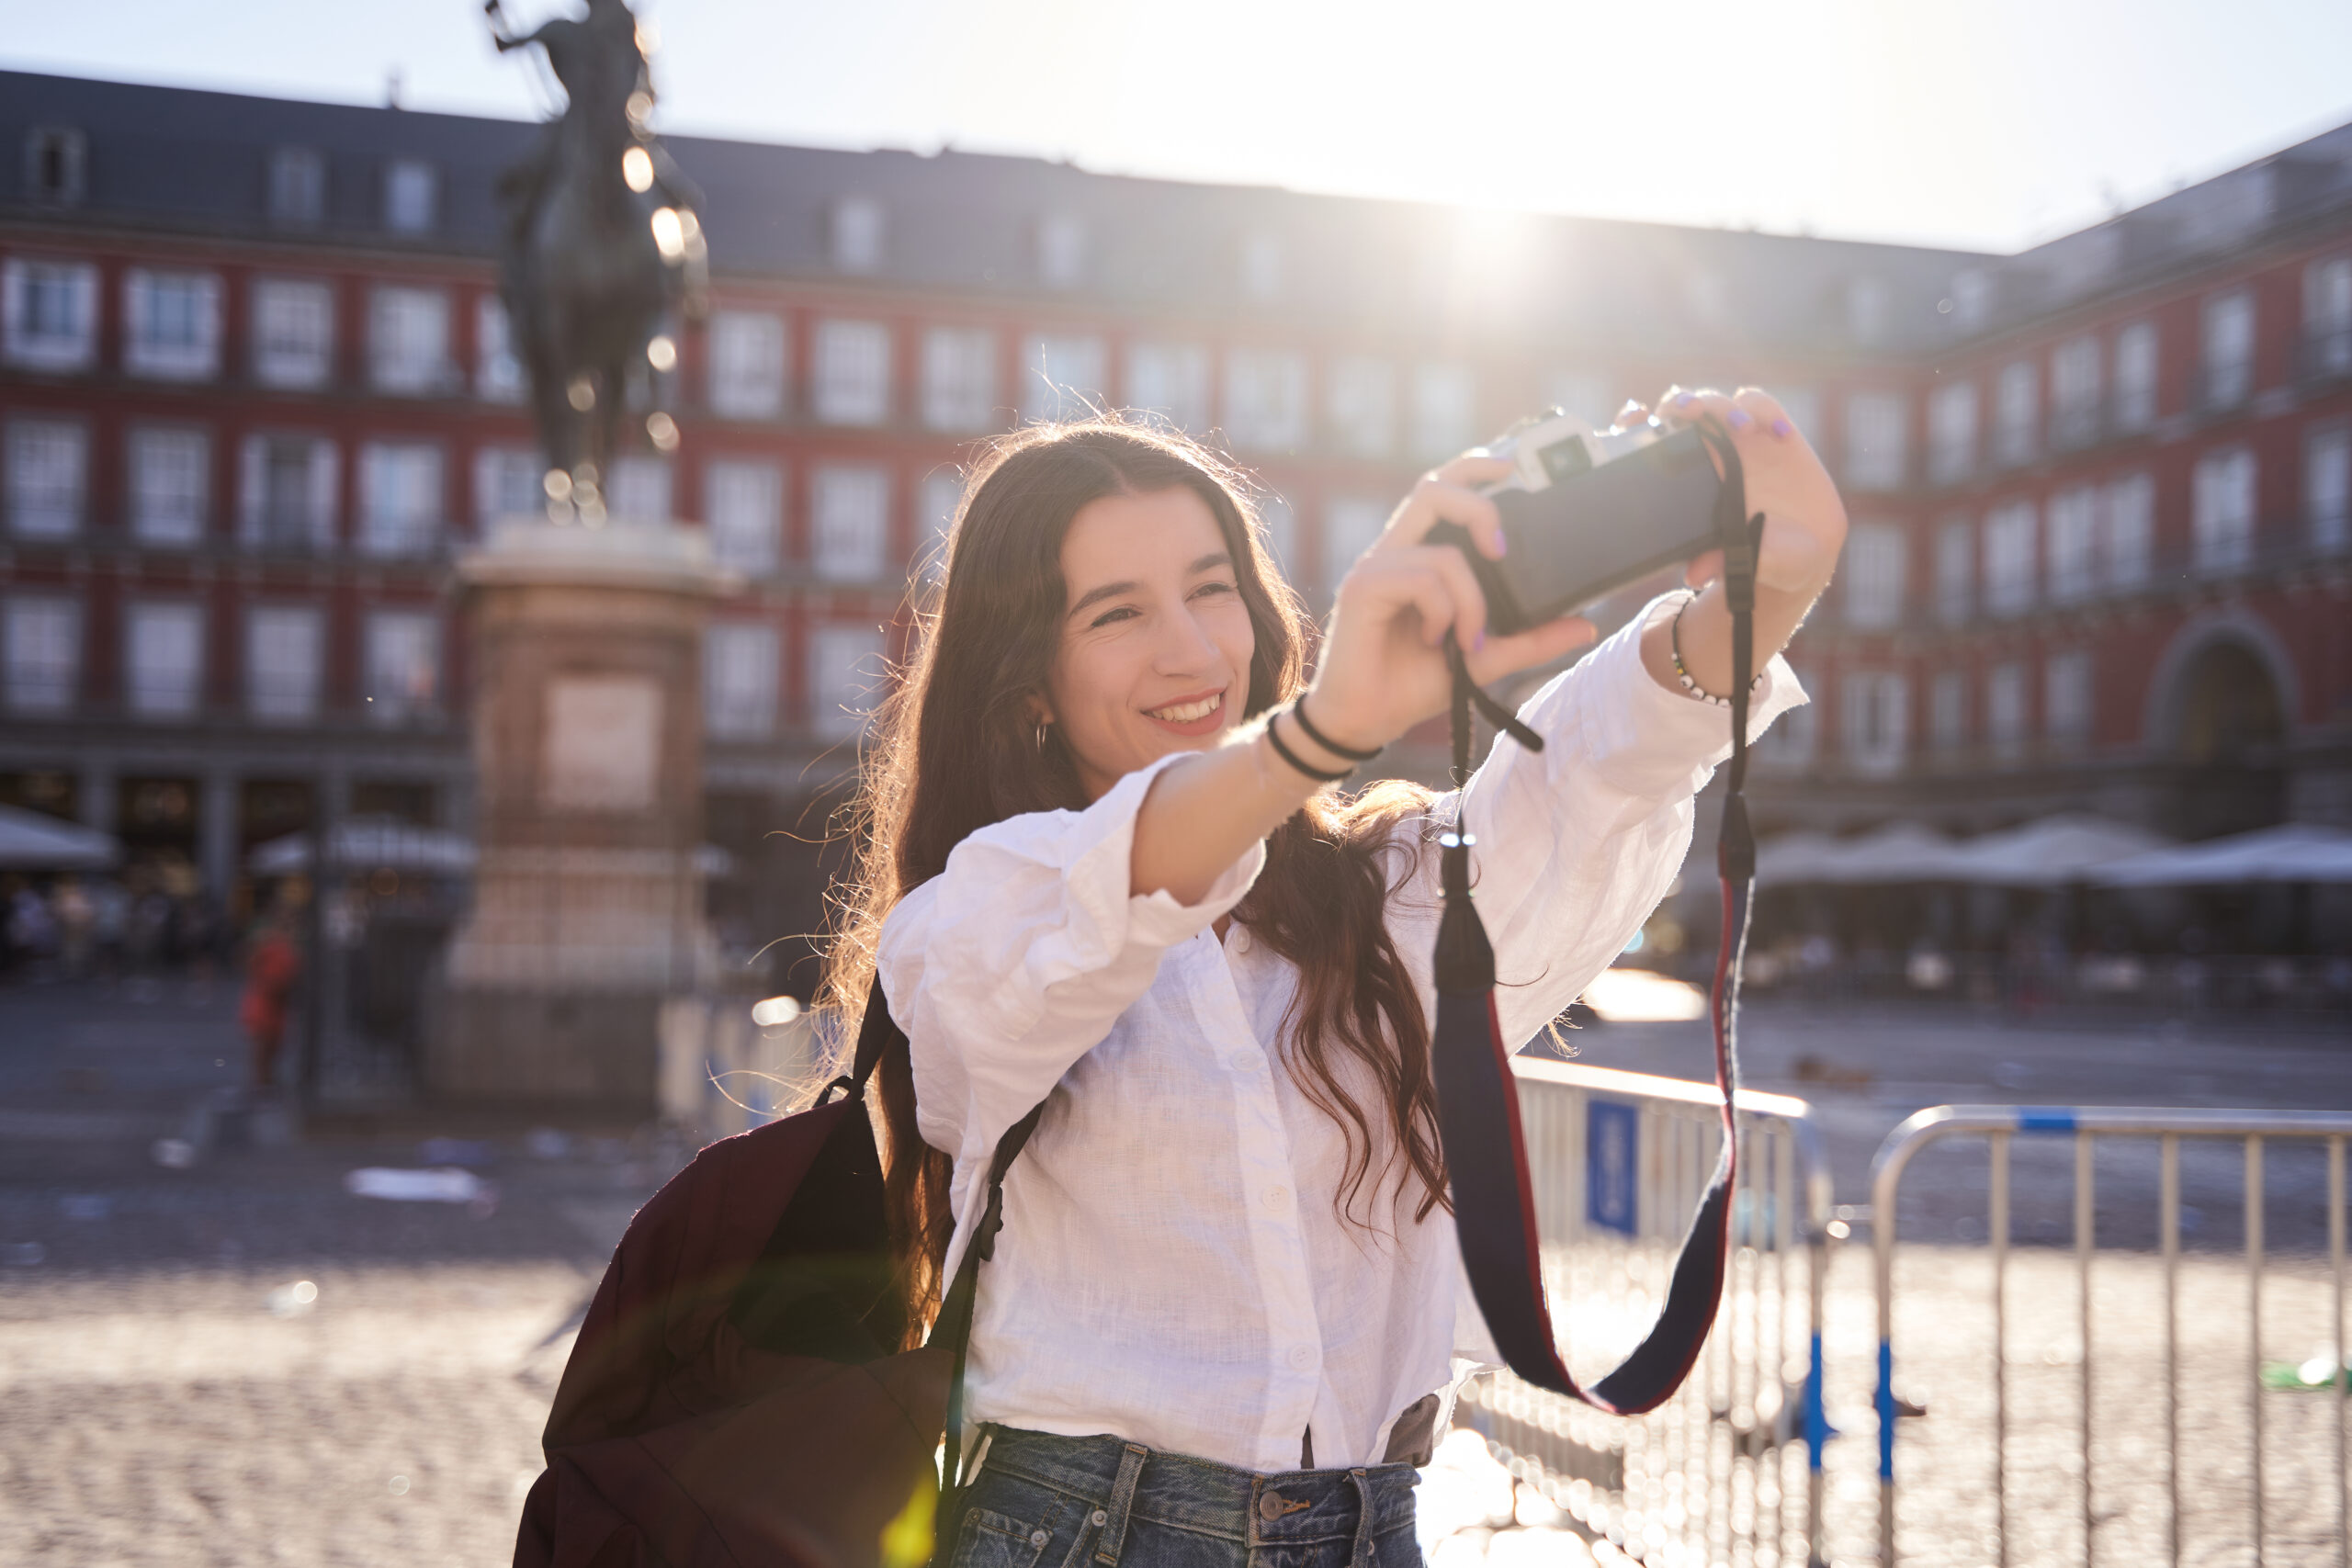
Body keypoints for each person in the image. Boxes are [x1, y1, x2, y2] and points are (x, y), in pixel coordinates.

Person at [820, 389, 1844, 1568]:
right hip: (1075, 1532)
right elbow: (1104, 889)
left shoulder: (1384, 898)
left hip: (1370, 1529)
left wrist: (1772, 587)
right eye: (1116, 613)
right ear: (1028, 684)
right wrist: (1322, 727)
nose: (1194, 650)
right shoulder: (983, 911)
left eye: (1213, 587)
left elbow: (1594, 770)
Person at [241, 896, 305, 1093]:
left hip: (274, 1007)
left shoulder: (285, 943)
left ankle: (266, 1087)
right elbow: (252, 965)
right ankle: (262, 1090)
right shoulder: (270, 942)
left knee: (271, 1052)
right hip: (265, 1004)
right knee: (264, 1053)